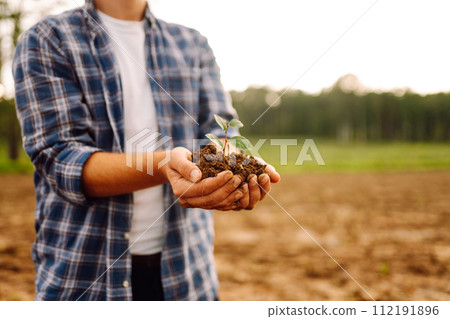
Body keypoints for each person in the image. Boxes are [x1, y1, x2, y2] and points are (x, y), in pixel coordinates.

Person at [13, 0, 280, 301]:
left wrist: (235, 166)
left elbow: (220, 131)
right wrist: (166, 164)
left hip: (187, 275)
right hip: (84, 275)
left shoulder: (192, 44)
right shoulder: (49, 39)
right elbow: (60, 159)